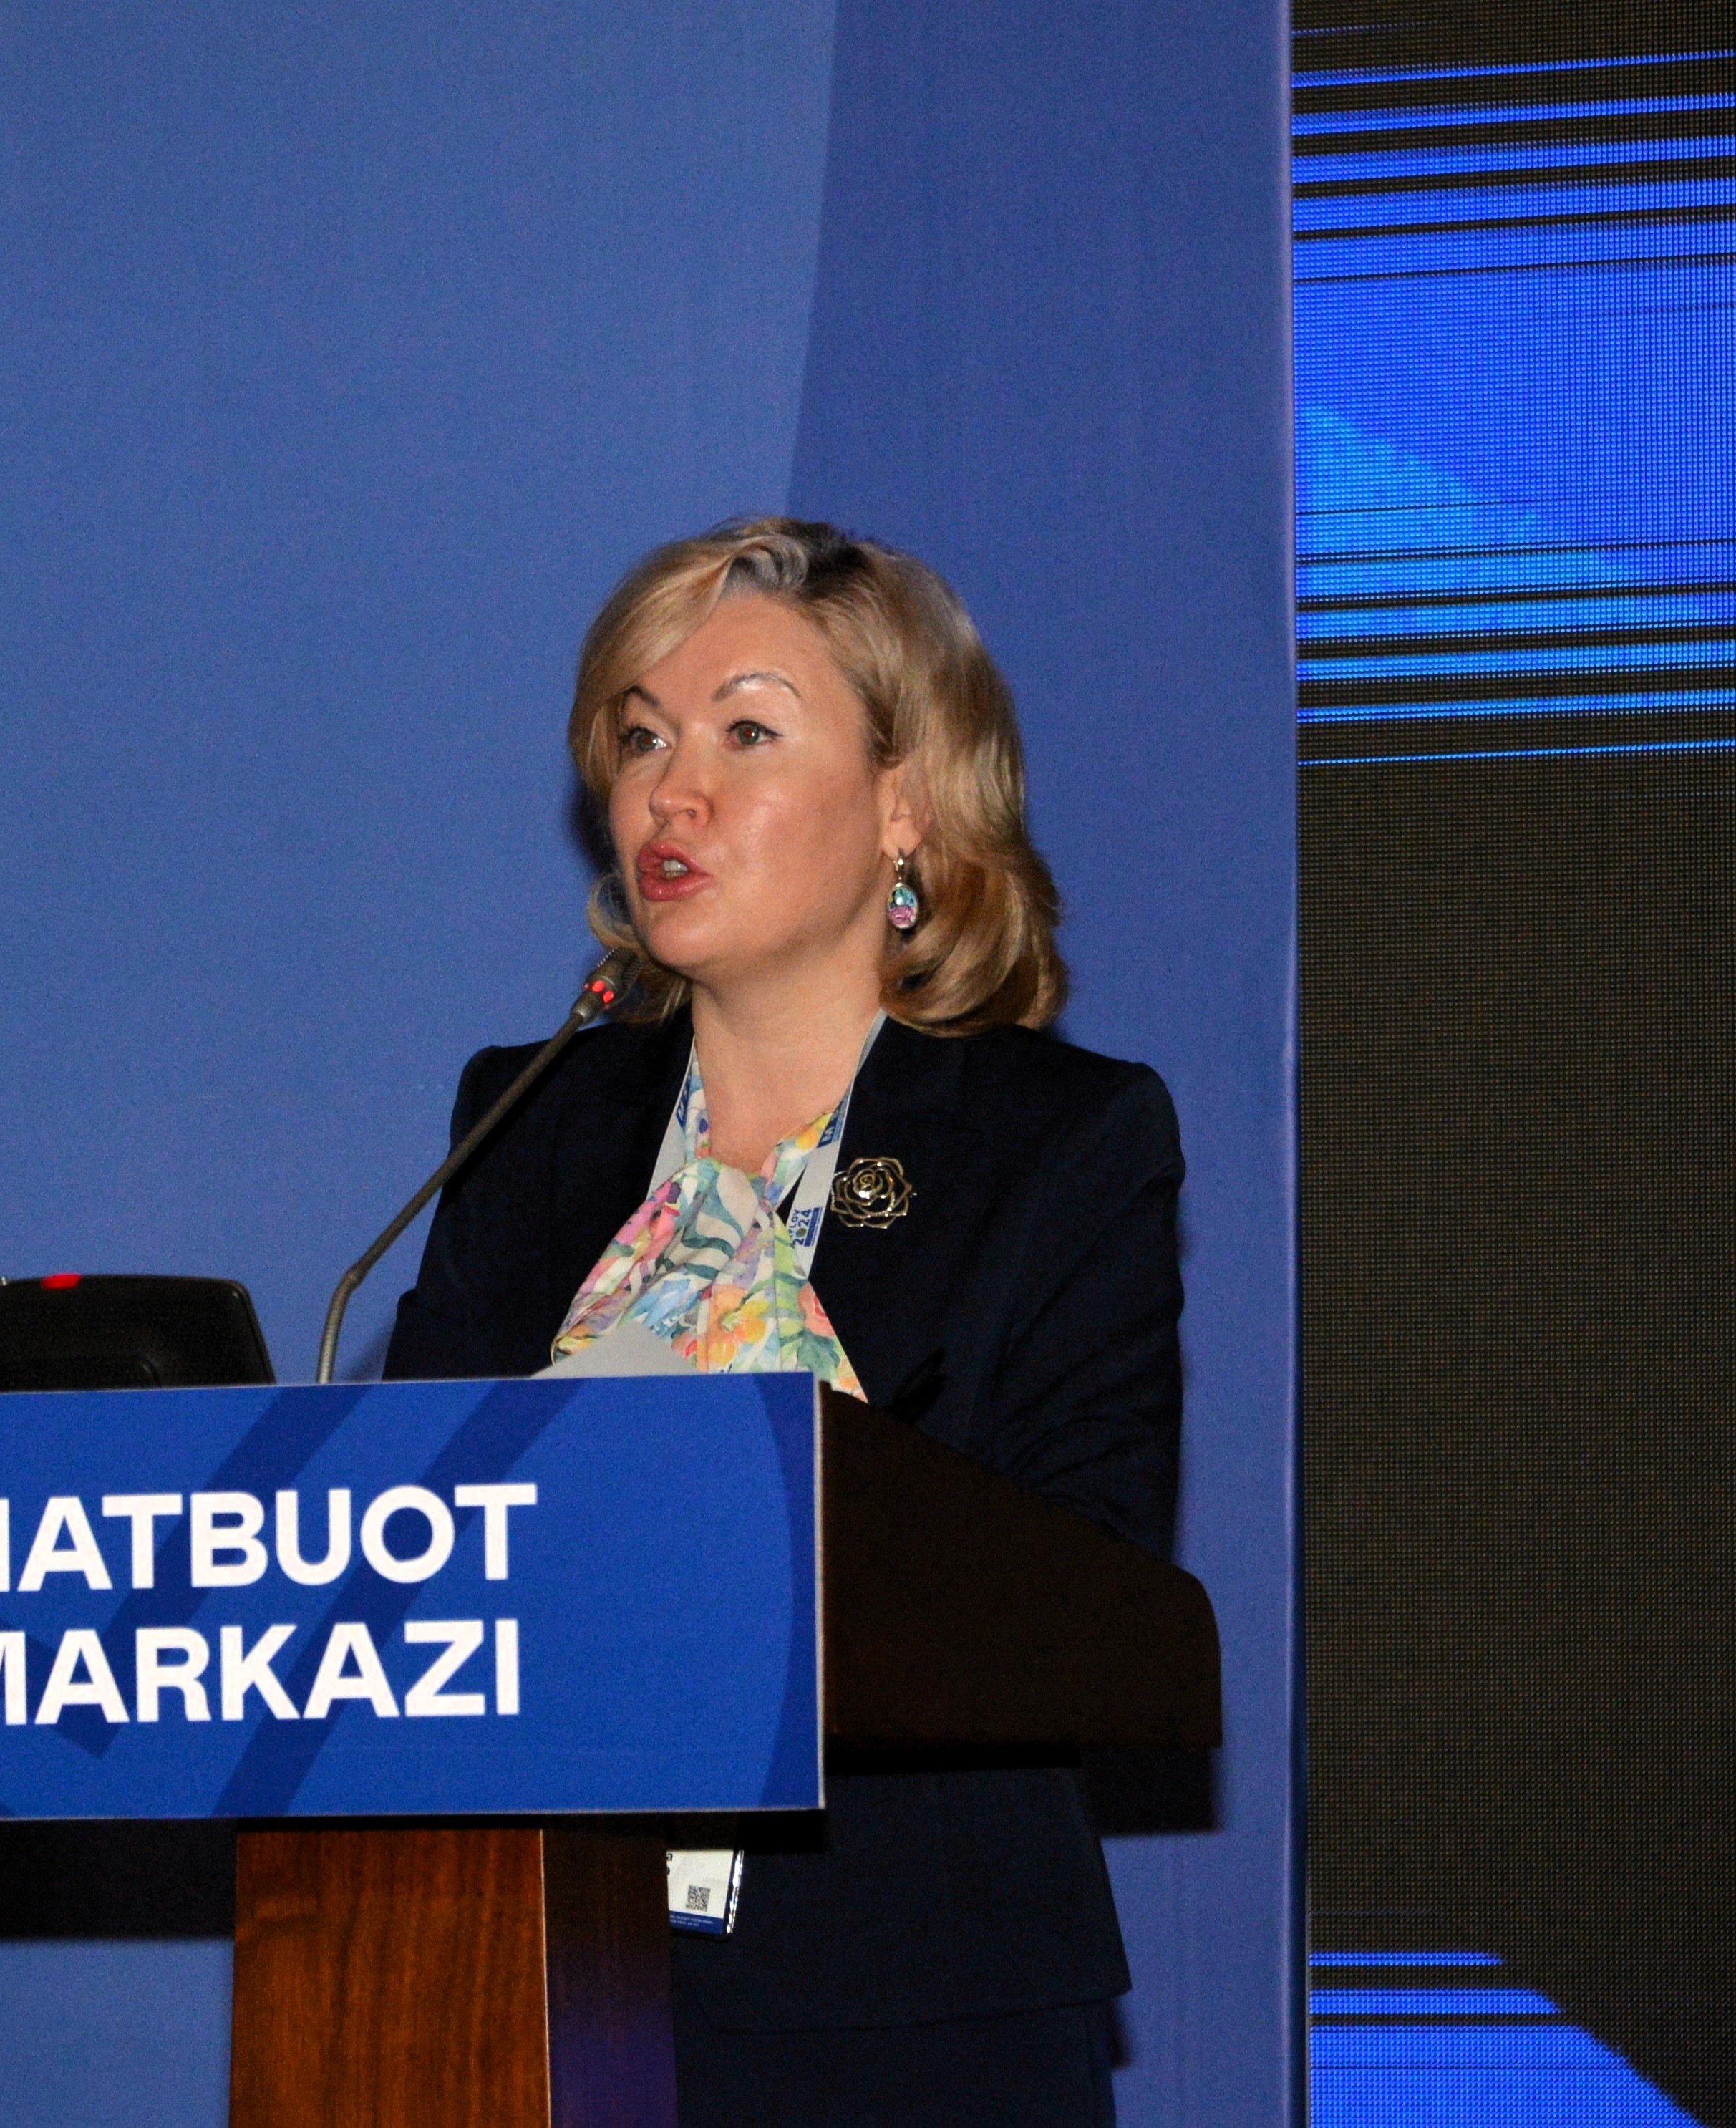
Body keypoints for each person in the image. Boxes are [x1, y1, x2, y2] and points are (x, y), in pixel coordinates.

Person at [384, 518, 1183, 2127]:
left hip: (909, 2003)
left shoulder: (1057, 1141)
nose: (669, 794)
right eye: (642, 739)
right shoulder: (526, 1124)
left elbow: (1082, 1598)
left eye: (745, 734)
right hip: (535, 1972)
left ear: (905, 801)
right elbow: (413, 1534)